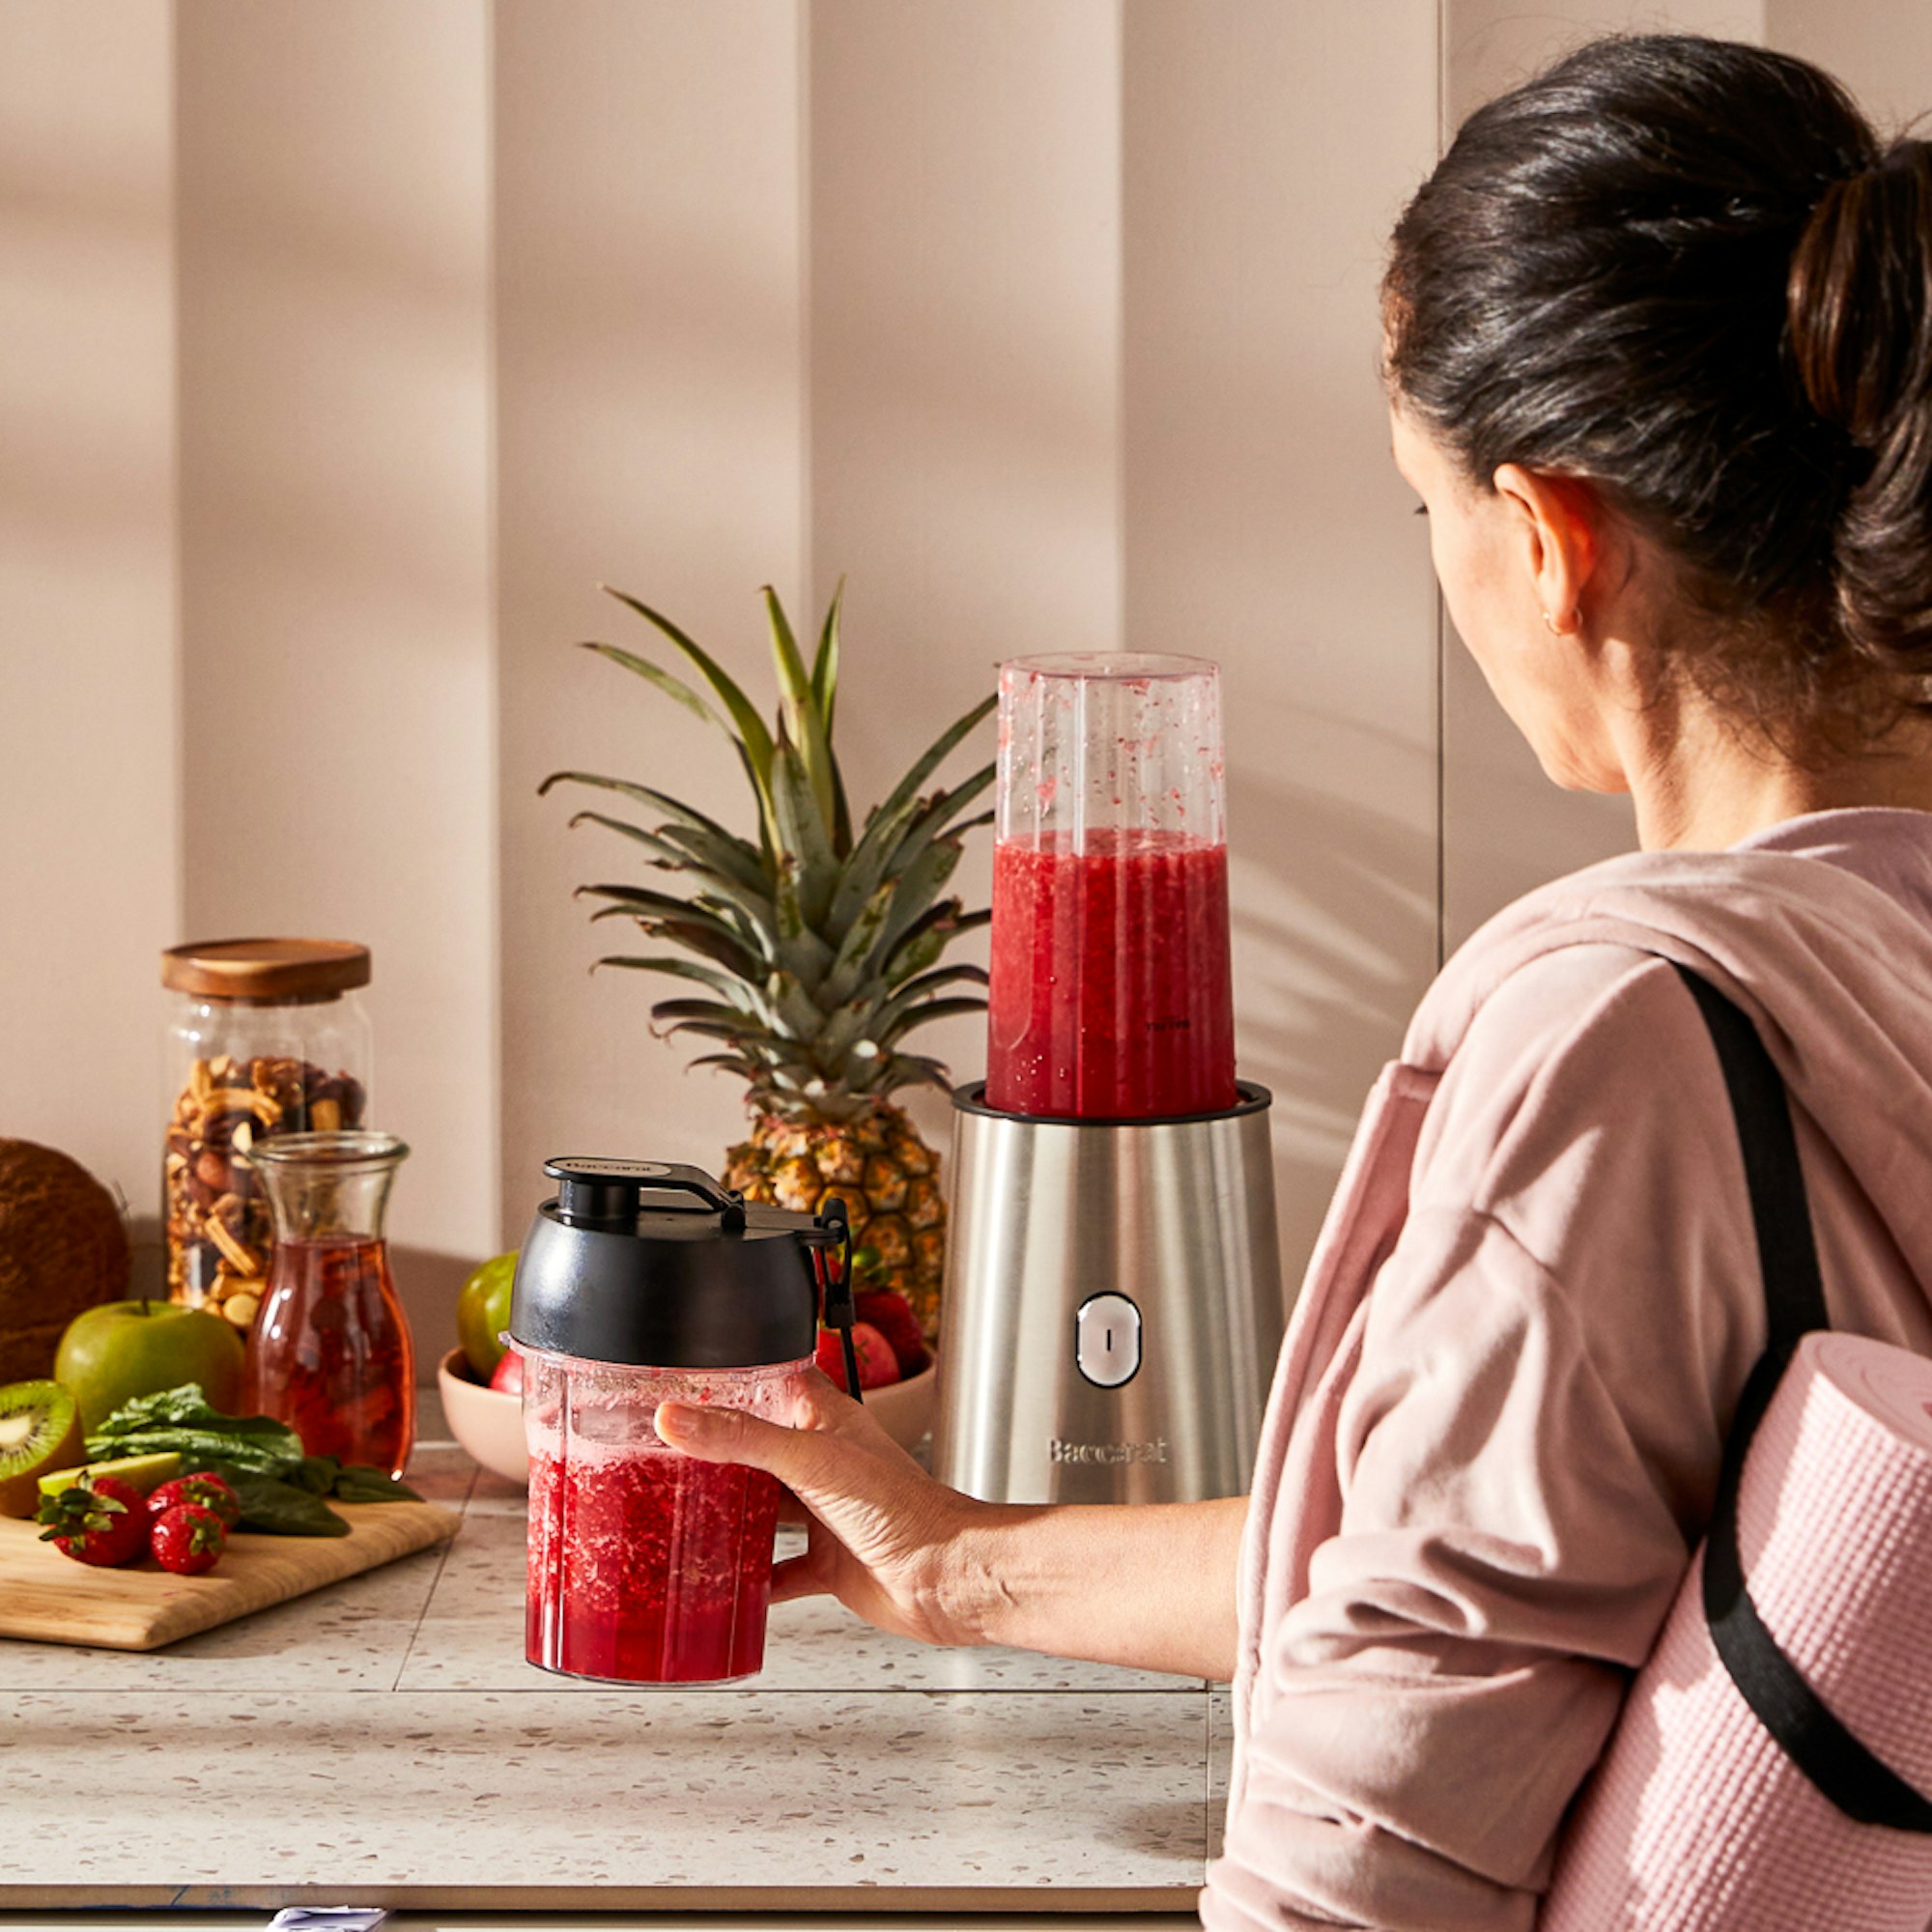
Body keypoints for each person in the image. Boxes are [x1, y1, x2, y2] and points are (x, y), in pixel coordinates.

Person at [655, 34, 1932, 1930]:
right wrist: (955, 1566)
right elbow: (1535, 1546)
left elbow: (1379, 1844)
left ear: (1553, 540)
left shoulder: (1628, 1030)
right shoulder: (1878, 959)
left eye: (1426, 510)